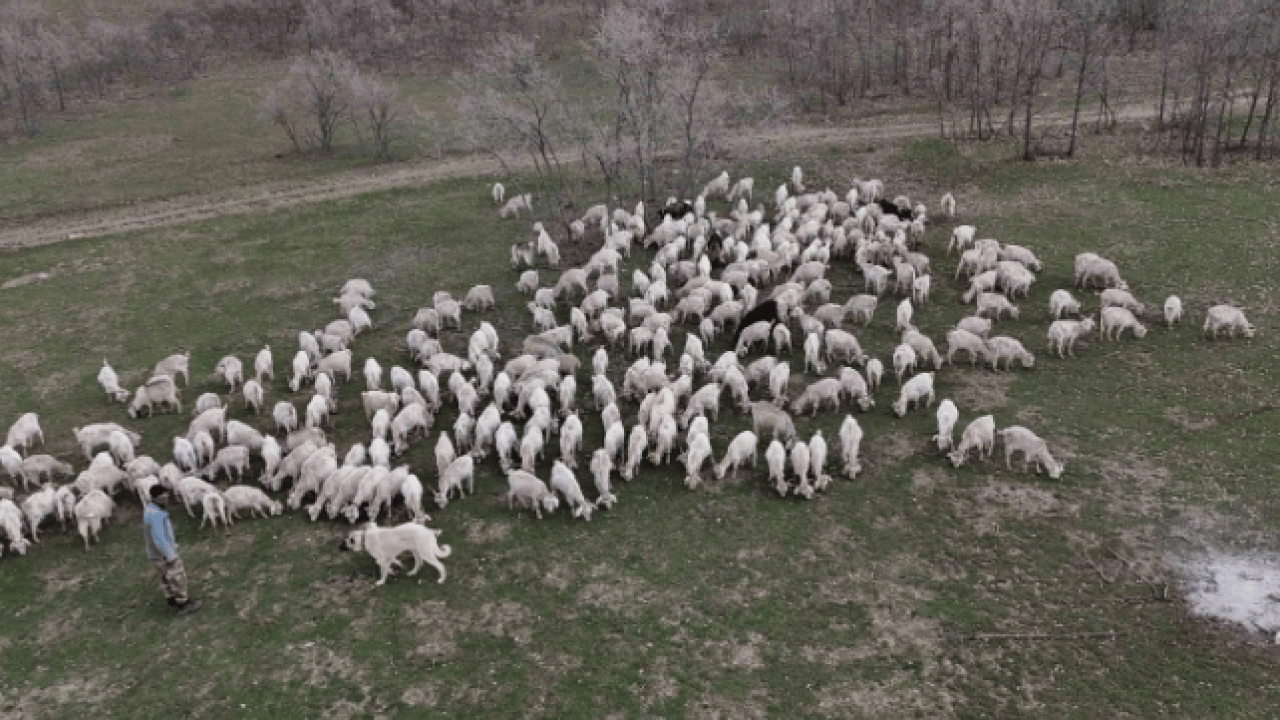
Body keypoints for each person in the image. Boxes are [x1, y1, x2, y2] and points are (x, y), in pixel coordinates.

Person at [142, 485, 201, 615]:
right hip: (163, 554)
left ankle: (171, 598)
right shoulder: (157, 515)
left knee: (164, 576)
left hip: (155, 554)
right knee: (177, 576)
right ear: (157, 498)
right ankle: (183, 604)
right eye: (164, 497)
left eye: (167, 496)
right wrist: (169, 555)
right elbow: (159, 538)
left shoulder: (149, 509)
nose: (167, 499)